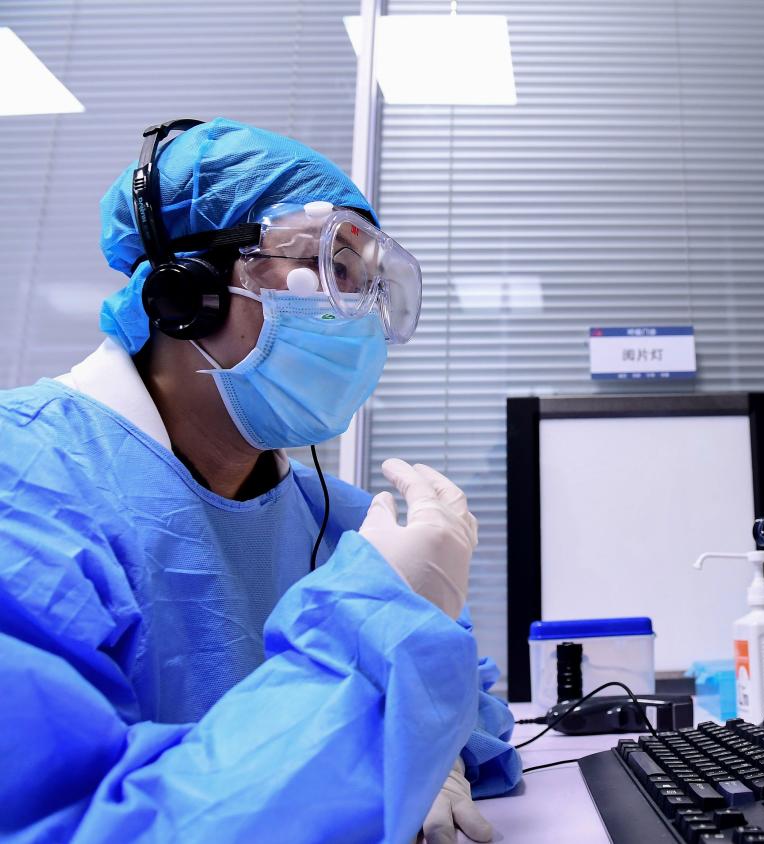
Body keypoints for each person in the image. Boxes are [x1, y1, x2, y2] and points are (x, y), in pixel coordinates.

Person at [0, 118, 519, 842]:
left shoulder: (337, 523)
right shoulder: (22, 487)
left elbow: (471, 711)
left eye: (370, 283)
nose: (360, 314)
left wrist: (436, 751)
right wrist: (371, 702)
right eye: (330, 266)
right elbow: (68, 823)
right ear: (188, 290)